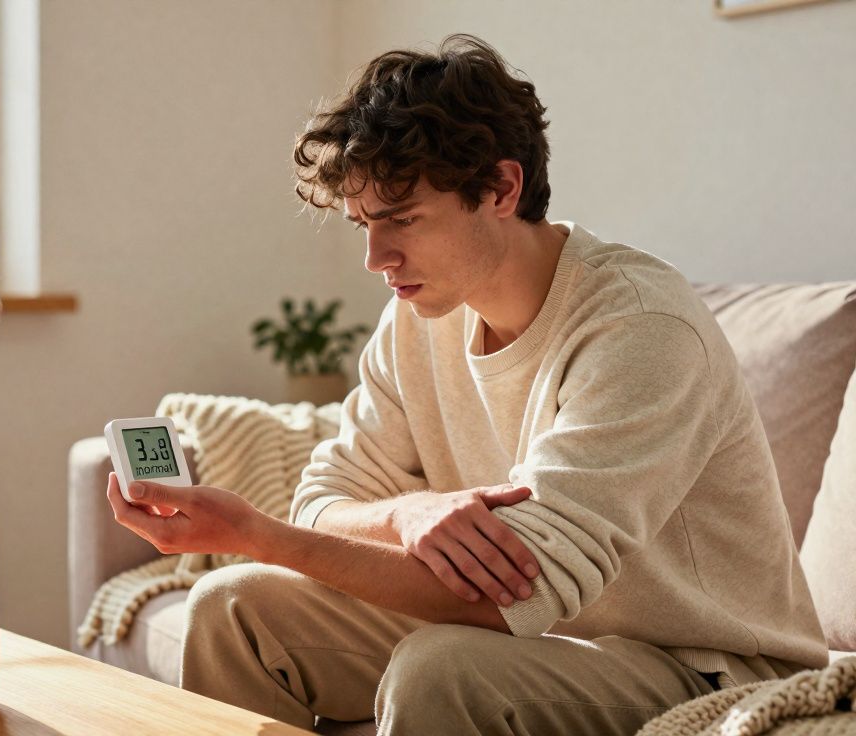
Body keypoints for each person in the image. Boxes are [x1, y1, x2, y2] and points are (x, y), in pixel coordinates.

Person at [105, 33, 827, 735]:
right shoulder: (418, 317)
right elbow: (324, 498)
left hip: (701, 666)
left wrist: (258, 535)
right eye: (361, 224)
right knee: (231, 609)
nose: (375, 258)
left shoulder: (642, 329)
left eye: (402, 220)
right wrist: (407, 513)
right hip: (548, 641)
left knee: (442, 668)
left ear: (501, 187)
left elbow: (522, 589)